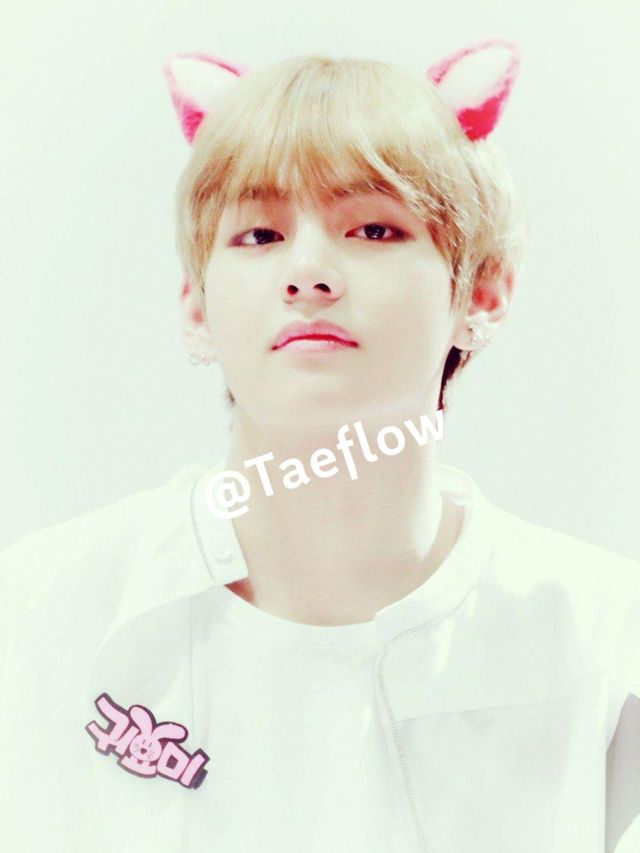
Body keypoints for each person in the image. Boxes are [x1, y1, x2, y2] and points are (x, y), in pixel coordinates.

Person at [1, 38, 639, 853]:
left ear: (482, 290)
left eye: (373, 227)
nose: (308, 272)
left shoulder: (601, 639)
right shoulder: (42, 613)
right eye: (259, 235)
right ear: (196, 306)